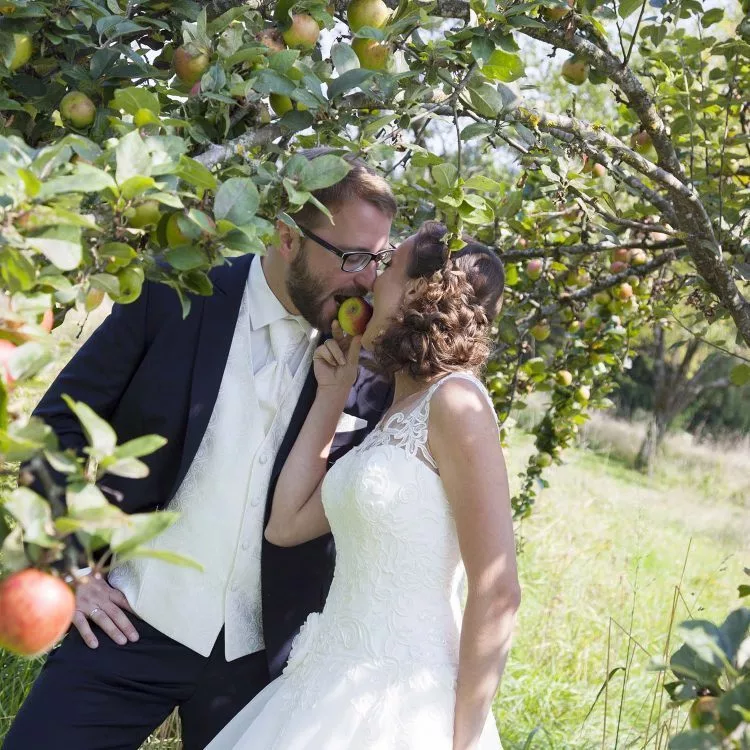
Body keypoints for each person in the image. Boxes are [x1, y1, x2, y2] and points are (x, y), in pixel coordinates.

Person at [2, 149, 398, 750]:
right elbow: (56, 426)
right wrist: (70, 563)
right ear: (287, 236)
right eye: (350, 257)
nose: (366, 280)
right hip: (132, 621)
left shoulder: (367, 363)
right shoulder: (174, 294)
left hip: (264, 663)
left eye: (376, 259)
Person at [205, 221, 521, 750]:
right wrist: (333, 393)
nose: (369, 282)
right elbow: (285, 525)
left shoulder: (457, 403)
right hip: (324, 686)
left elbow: (497, 589)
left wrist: (463, 743)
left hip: (401, 703)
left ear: (420, 293)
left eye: (388, 269)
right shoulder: (396, 411)